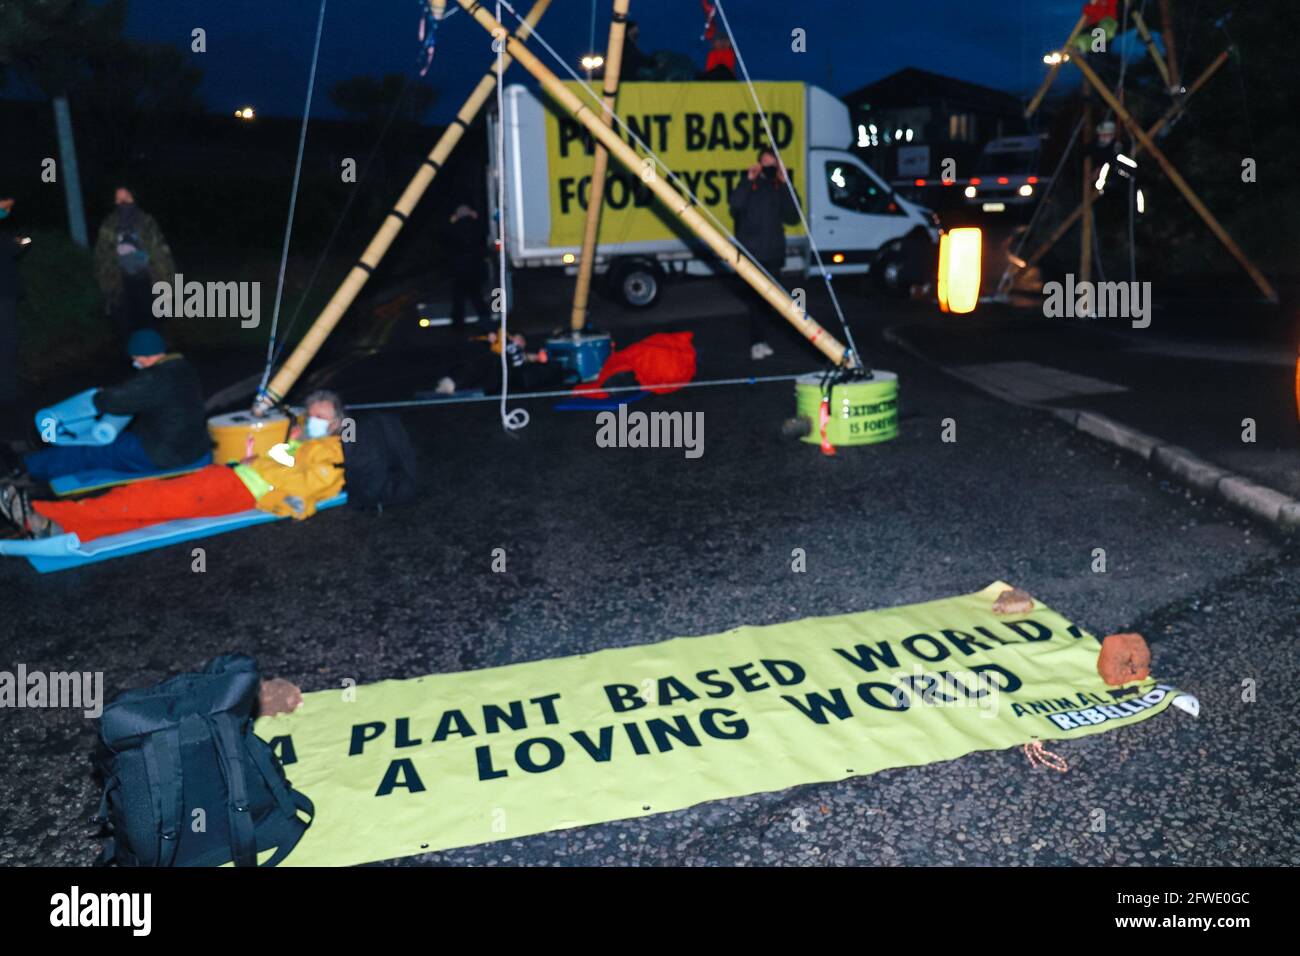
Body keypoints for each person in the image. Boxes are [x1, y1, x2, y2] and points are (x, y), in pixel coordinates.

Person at [2, 390, 348, 541]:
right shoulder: (305, 444)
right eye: (311, 414)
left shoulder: (329, 453)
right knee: (147, 502)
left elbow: (306, 489)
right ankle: (67, 527)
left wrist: (269, 486)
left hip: (241, 489)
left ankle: (46, 515)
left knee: (148, 499)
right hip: (231, 477)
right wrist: (281, 448)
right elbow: (278, 464)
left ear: (335, 424)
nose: (314, 421)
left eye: (322, 417)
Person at [22, 328, 212, 482]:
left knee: (89, 452)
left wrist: (96, 398)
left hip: (162, 454)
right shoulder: (183, 368)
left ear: (142, 355)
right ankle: (36, 463)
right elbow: (142, 395)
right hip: (193, 447)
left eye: (135, 359)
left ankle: (27, 469)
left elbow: (112, 400)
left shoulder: (155, 378)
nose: (134, 363)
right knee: (118, 440)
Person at [728, 147, 799, 360]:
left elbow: (794, 216)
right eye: (765, 164)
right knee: (756, 299)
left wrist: (785, 182)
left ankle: (765, 339)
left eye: (772, 164)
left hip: (774, 253)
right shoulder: (750, 185)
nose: (768, 168)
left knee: (772, 300)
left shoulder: (779, 187)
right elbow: (735, 205)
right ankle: (757, 342)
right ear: (758, 165)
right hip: (753, 253)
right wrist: (749, 179)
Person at [93, 186, 176, 340]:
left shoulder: (147, 222)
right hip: (120, 285)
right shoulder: (109, 225)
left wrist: (166, 292)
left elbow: (161, 256)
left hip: (147, 283)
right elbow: (102, 258)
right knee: (126, 332)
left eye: (127, 198)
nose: (123, 202)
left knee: (151, 329)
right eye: (119, 199)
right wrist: (108, 290)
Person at [443, 204, 490, 327]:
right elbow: (484, 233)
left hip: (459, 268)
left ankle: (458, 324)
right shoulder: (476, 226)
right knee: (477, 296)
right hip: (475, 267)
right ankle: (486, 321)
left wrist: (451, 222)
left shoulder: (454, 228)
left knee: (458, 298)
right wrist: (476, 218)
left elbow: (445, 239)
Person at [0, 196, 22, 407]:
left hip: (6, 295)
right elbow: (14, 248)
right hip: (3, 297)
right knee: (7, 342)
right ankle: (7, 391)